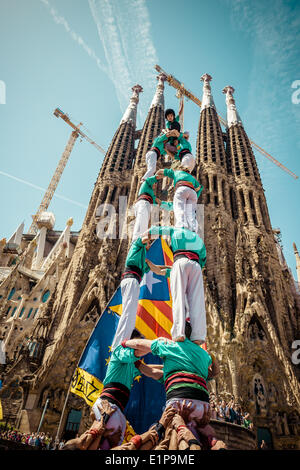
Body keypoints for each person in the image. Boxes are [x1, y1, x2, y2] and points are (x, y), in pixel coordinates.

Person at [123, 322, 220, 440]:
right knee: (205, 438)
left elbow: (139, 343)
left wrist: (123, 343)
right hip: (202, 405)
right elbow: (214, 373)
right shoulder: (202, 354)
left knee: (169, 435)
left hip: (179, 401)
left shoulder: (170, 345)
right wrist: (212, 358)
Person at [142, 226, 206, 344]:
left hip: (180, 262)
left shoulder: (175, 230)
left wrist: (145, 235)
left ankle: (179, 332)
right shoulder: (199, 239)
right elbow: (203, 259)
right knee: (197, 300)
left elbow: (158, 229)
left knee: (178, 298)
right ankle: (198, 335)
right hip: (196, 266)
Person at [111, 235, 164, 351]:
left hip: (131, 281)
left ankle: (121, 341)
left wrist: (172, 267)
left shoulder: (143, 259)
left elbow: (157, 269)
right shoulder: (136, 246)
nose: (150, 245)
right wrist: (158, 232)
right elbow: (144, 237)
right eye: (149, 243)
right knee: (128, 314)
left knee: (129, 313)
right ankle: (119, 344)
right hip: (131, 280)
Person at [155, 167, 203, 233]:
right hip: (193, 192)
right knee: (191, 213)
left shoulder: (176, 172)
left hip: (181, 188)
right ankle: (193, 230)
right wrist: (195, 197)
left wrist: (154, 179)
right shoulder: (192, 177)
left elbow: (160, 170)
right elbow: (199, 188)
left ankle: (181, 227)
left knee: (179, 209)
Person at [132, 176, 173, 242]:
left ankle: (140, 241)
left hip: (146, 206)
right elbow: (155, 177)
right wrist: (166, 173)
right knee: (141, 226)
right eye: (154, 183)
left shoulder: (152, 195)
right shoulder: (146, 184)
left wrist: (173, 206)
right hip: (143, 204)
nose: (155, 185)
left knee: (144, 226)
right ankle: (135, 241)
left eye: (156, 183)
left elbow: (158, 203)